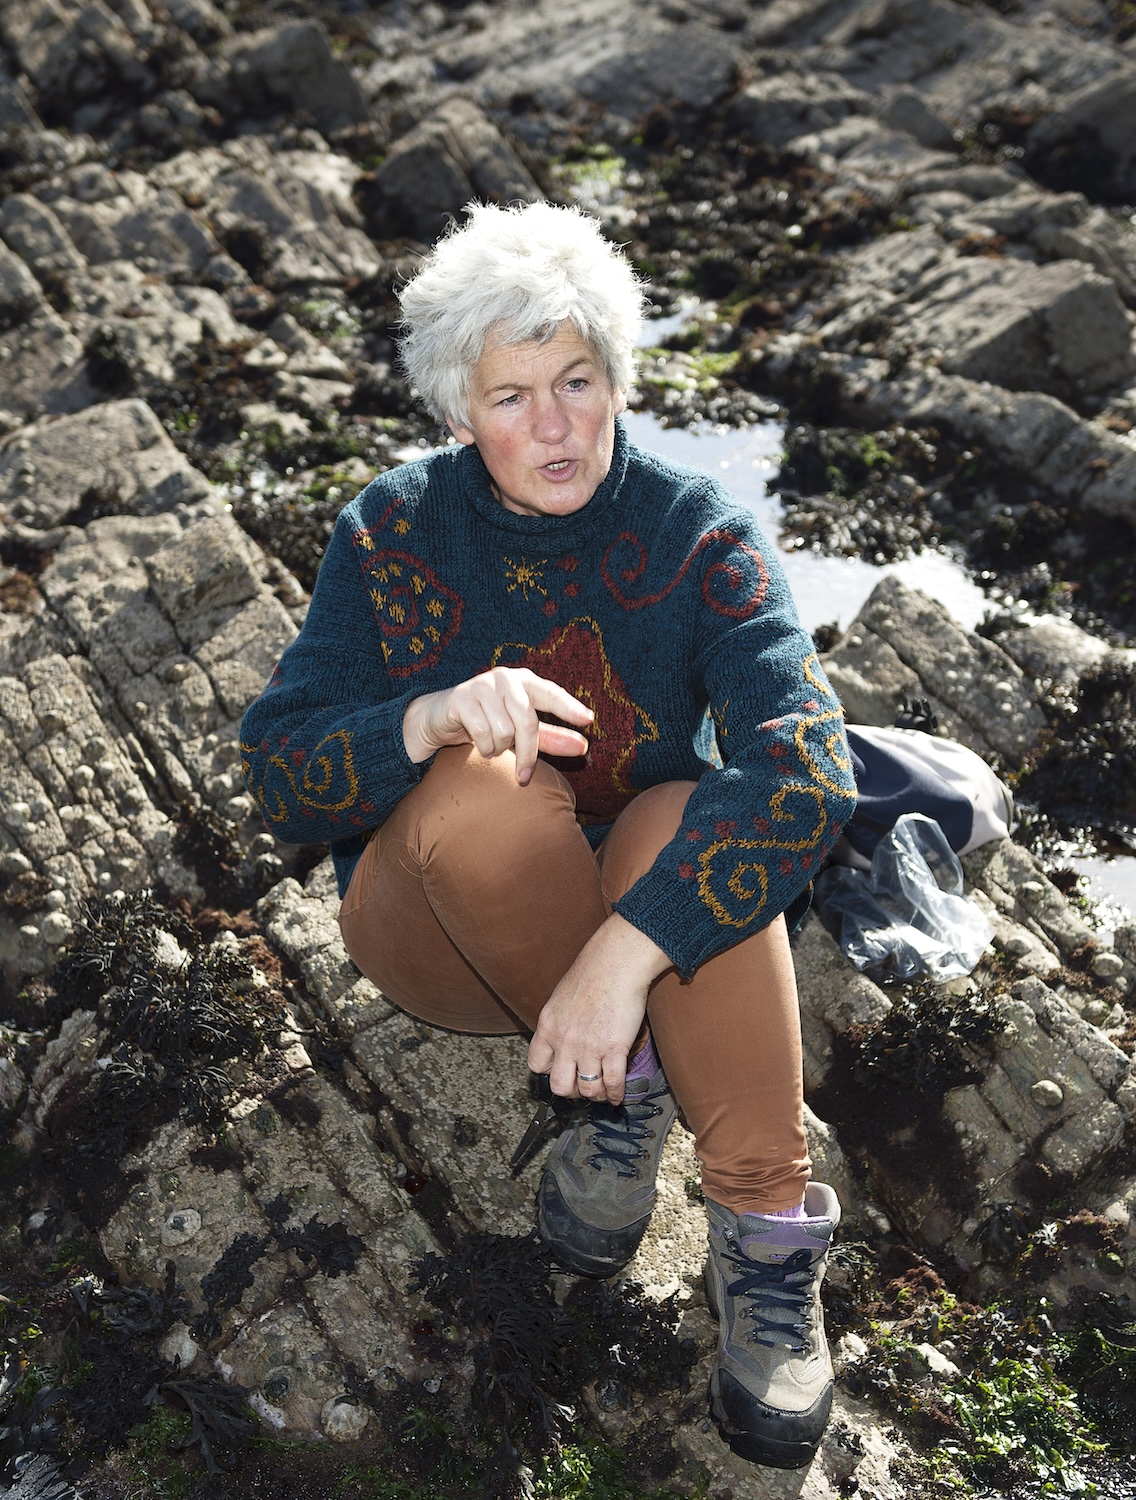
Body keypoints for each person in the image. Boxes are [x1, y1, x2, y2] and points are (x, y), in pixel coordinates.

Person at [239, 201, 858, 1471]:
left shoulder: (698, 531)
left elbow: (810, 764)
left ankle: (762, 1236)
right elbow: (279, 774)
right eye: (510, 396)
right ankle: (619, 1094)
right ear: (459, 412)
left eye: (576, 380)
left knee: (689, 814)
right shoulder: (392, 528)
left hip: (635, 921)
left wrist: (623, 958)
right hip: (443, 935)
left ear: (617, 379)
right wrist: (422, 717)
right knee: (485, 771)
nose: (555, 424)